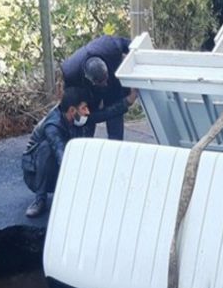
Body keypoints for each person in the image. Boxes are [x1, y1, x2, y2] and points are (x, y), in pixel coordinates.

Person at [21, 86, 91, 218]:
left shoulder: (75, 119)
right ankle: (40, 199)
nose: (87, 112)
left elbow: (104, 114)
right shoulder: (53, 126)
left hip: (54, 168)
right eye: (83, 108)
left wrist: (128, 101)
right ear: (72, 110)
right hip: (34, 174)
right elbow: (62, 155)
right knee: (46, 148)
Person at [61, 35, 138, 140]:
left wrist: (135, 74)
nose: (105, 83)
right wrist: (126, 102)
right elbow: (81, 116)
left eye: (105, 79)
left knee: (115, 127)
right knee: (83, 125)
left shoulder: (111, 47)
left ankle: (116, 148)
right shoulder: (70, 73)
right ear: (90, 79)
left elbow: (136, 47)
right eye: (101, 82)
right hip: (87, 93)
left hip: (114, 83)